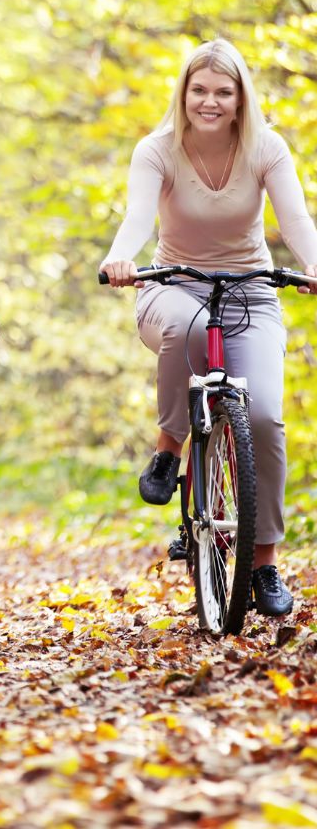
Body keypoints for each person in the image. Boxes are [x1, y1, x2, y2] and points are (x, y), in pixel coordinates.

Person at [100, 38, 317, 617]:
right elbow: (138, 217)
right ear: (184, 92)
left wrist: (315, 261)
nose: (211, 102)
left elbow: (295, 219)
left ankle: (265, 562)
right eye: (200, 90)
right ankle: (170, 447)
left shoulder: (267, 148)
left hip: (250, 292)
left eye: (224, 92)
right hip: (172, 286)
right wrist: (121, 258)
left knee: (266, 417)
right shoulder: (157, 150)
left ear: (242, 98)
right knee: (191, 328)